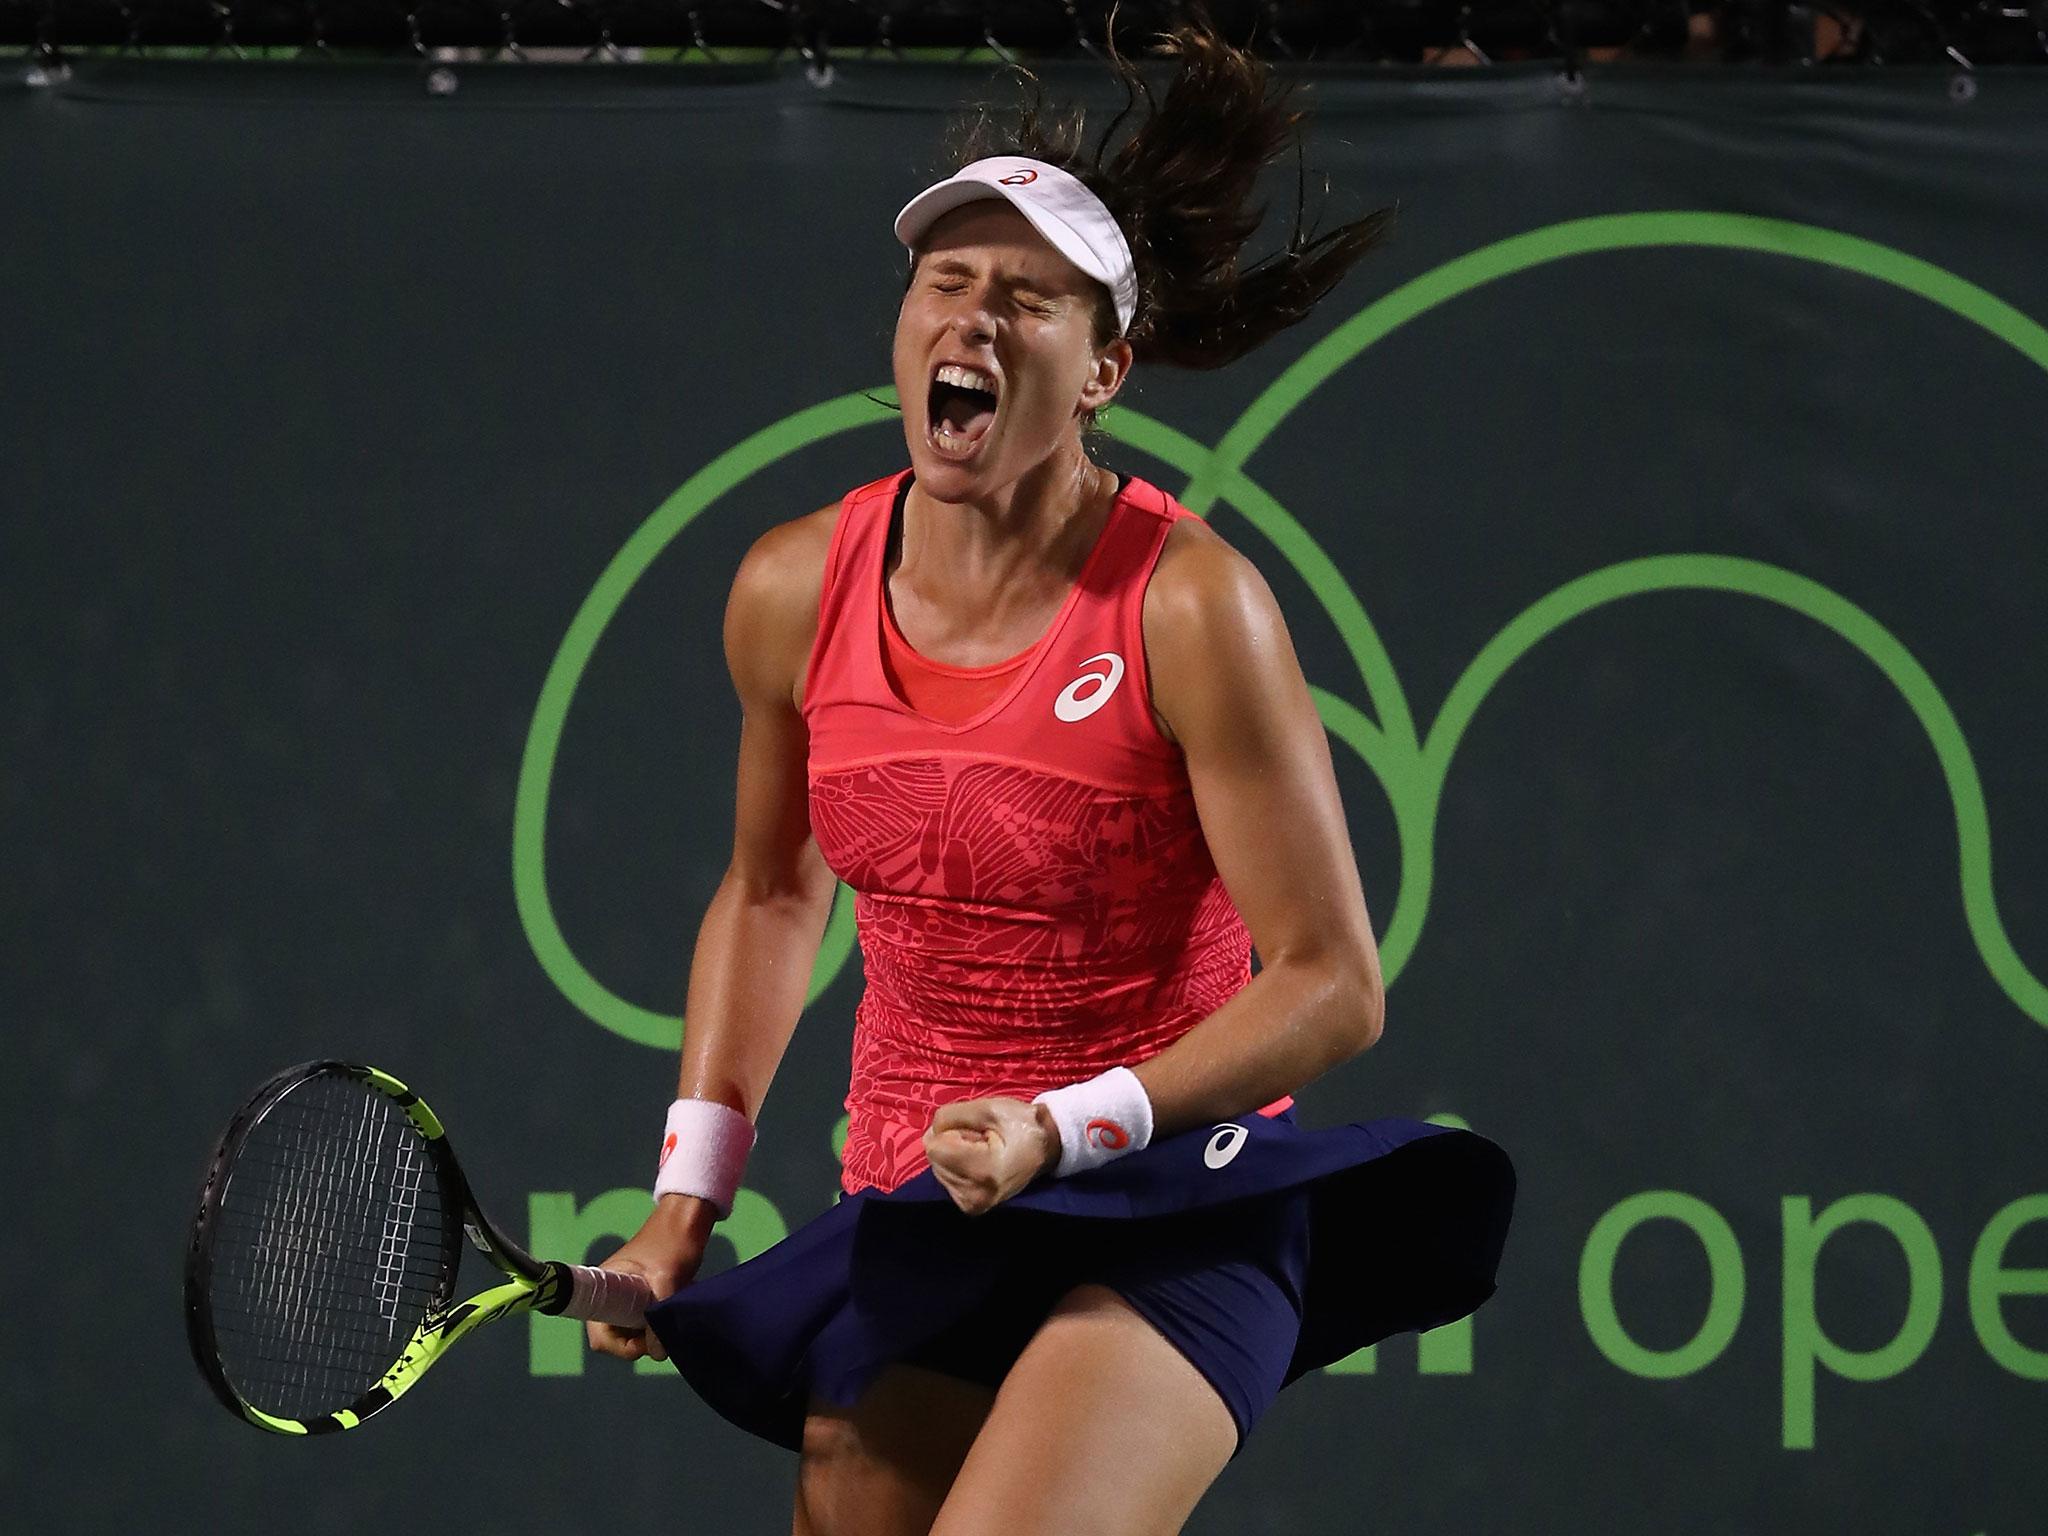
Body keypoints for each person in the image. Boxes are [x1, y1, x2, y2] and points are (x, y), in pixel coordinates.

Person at [589, 15, 1513, 1535]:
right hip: (924, 1203)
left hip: (1171, 1199)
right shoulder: (786, 588)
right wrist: (688, 1196)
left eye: (1028, 299)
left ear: (1104, 371)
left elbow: (1335, 982)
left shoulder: (1192, 605)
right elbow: (768, 895)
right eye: (946, 282)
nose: (975, 318)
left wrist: (1066, 1122)